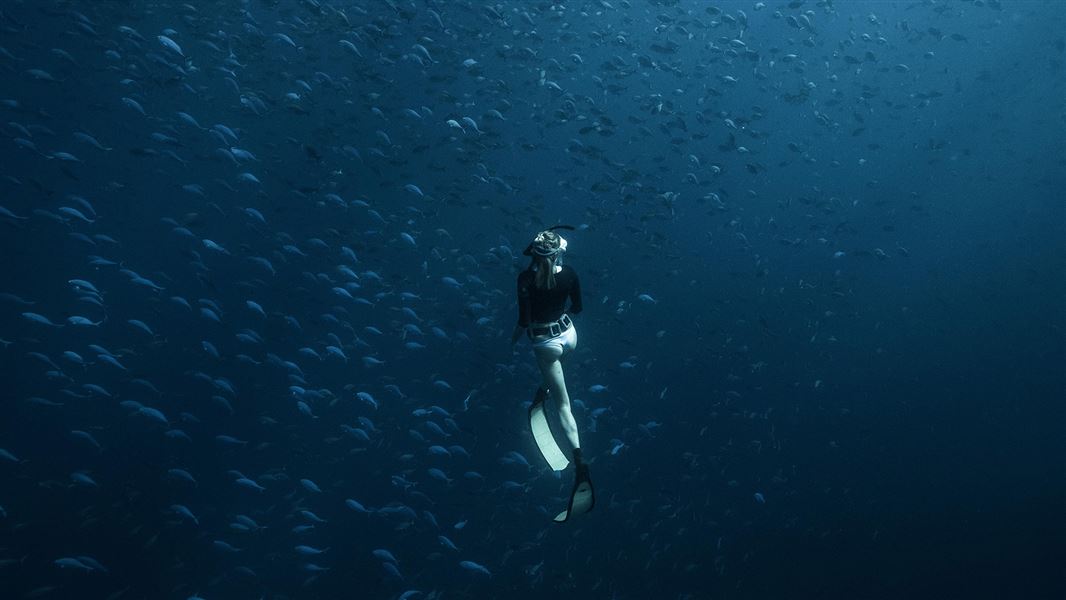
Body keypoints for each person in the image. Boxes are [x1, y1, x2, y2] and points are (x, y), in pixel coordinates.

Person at [510, 227, 594, 521]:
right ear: (558, 252)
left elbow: (524, 320)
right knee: (556, 372)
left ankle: (580, 465)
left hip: (546, 344)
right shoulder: (569, 274)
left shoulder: (525, 280)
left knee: (563, 406)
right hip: (569, 336)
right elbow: (578, 307)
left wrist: (513, 339)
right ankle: (546, 385)